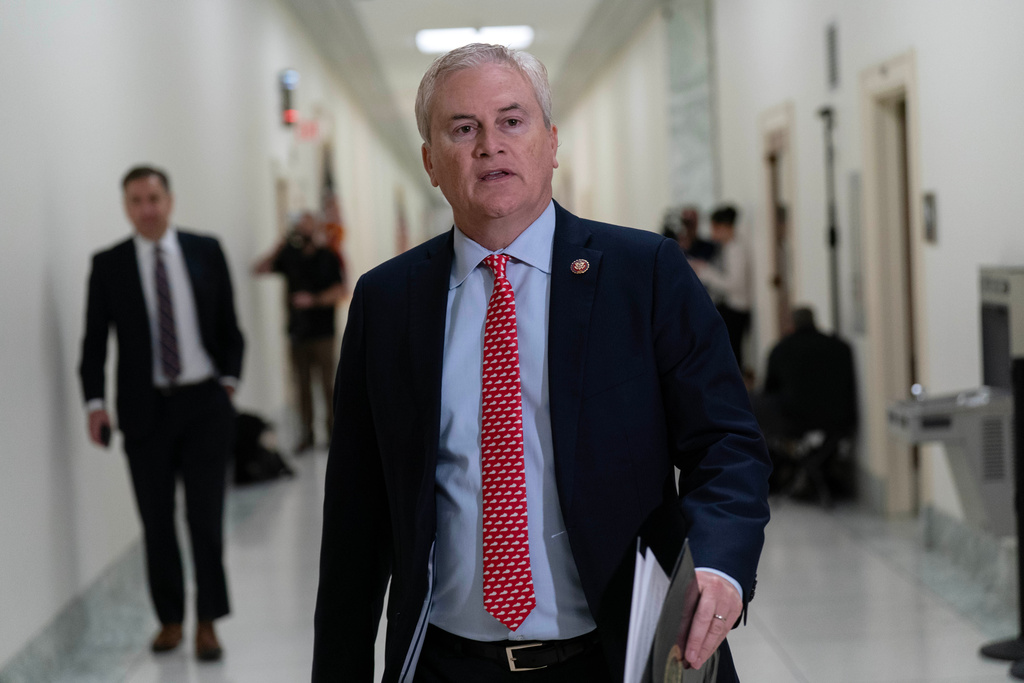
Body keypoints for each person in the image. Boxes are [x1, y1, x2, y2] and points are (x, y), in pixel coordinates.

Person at [312, 44, 771, 683]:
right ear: (430, 162)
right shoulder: (388, 302)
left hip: (614, 658)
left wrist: (719, 565)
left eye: (512, 121)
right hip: (448, 663)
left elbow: (726, 444)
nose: (489, 146)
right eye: (462, 128)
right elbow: (356, 514)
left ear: (551, 142)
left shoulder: (645, 276)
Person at [79, 165, 244, 661]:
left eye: (153, 197)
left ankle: (209, 621)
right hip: (144, 411)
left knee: (204, 519)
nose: (146, 208)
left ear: (169, 200)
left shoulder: (204, 250)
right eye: (135, 200)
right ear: (126, 207)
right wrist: (94, 404)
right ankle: (170, 619)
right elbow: (94, 342)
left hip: (203, 406)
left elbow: (229, 326)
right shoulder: (109, 265)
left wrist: (229, 383)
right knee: (156, 521)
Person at [253, 211, 345, 452]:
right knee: (302, 386)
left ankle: (334, 432)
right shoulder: (289, 255)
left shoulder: (328, 256)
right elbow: (260, 269)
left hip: (323, 333)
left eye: (308, 225)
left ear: (316, 228)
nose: (304, 230)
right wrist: (279, 246)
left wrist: (313, 300)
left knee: (328, 385)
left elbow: (340, 290)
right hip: (297, 333)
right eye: (300, 226)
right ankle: (307, 435)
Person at [756, 306, 858, 443]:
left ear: (792, 324)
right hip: (839, 417)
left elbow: (769, 388)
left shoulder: (781, 349)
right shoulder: (839, 347)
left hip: (795, 418)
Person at [693, 205, 752, 370]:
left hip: (737, 308)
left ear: (725, 227)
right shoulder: (727, 248)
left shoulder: (737, 249)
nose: (712, 233)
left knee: (734, 352)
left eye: (715, 228)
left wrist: (706, 272)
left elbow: (735, 284)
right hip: (729, 306)